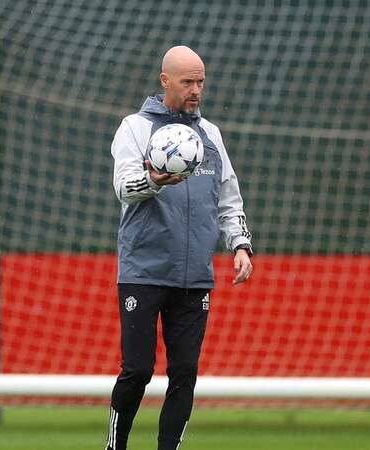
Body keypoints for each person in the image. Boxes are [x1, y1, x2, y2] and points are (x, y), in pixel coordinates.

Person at [105, 46, 254, 450]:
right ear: (165, 81)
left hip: (194, 278)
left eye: (201, 81)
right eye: (188, 82)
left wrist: (240, 244)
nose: (196, 90)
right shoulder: (135, 128)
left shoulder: (210, 135)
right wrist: (154, 181)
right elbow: (124, 187)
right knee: (137, 370)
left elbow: (229, 197)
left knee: (185, 372)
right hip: (143, 271)